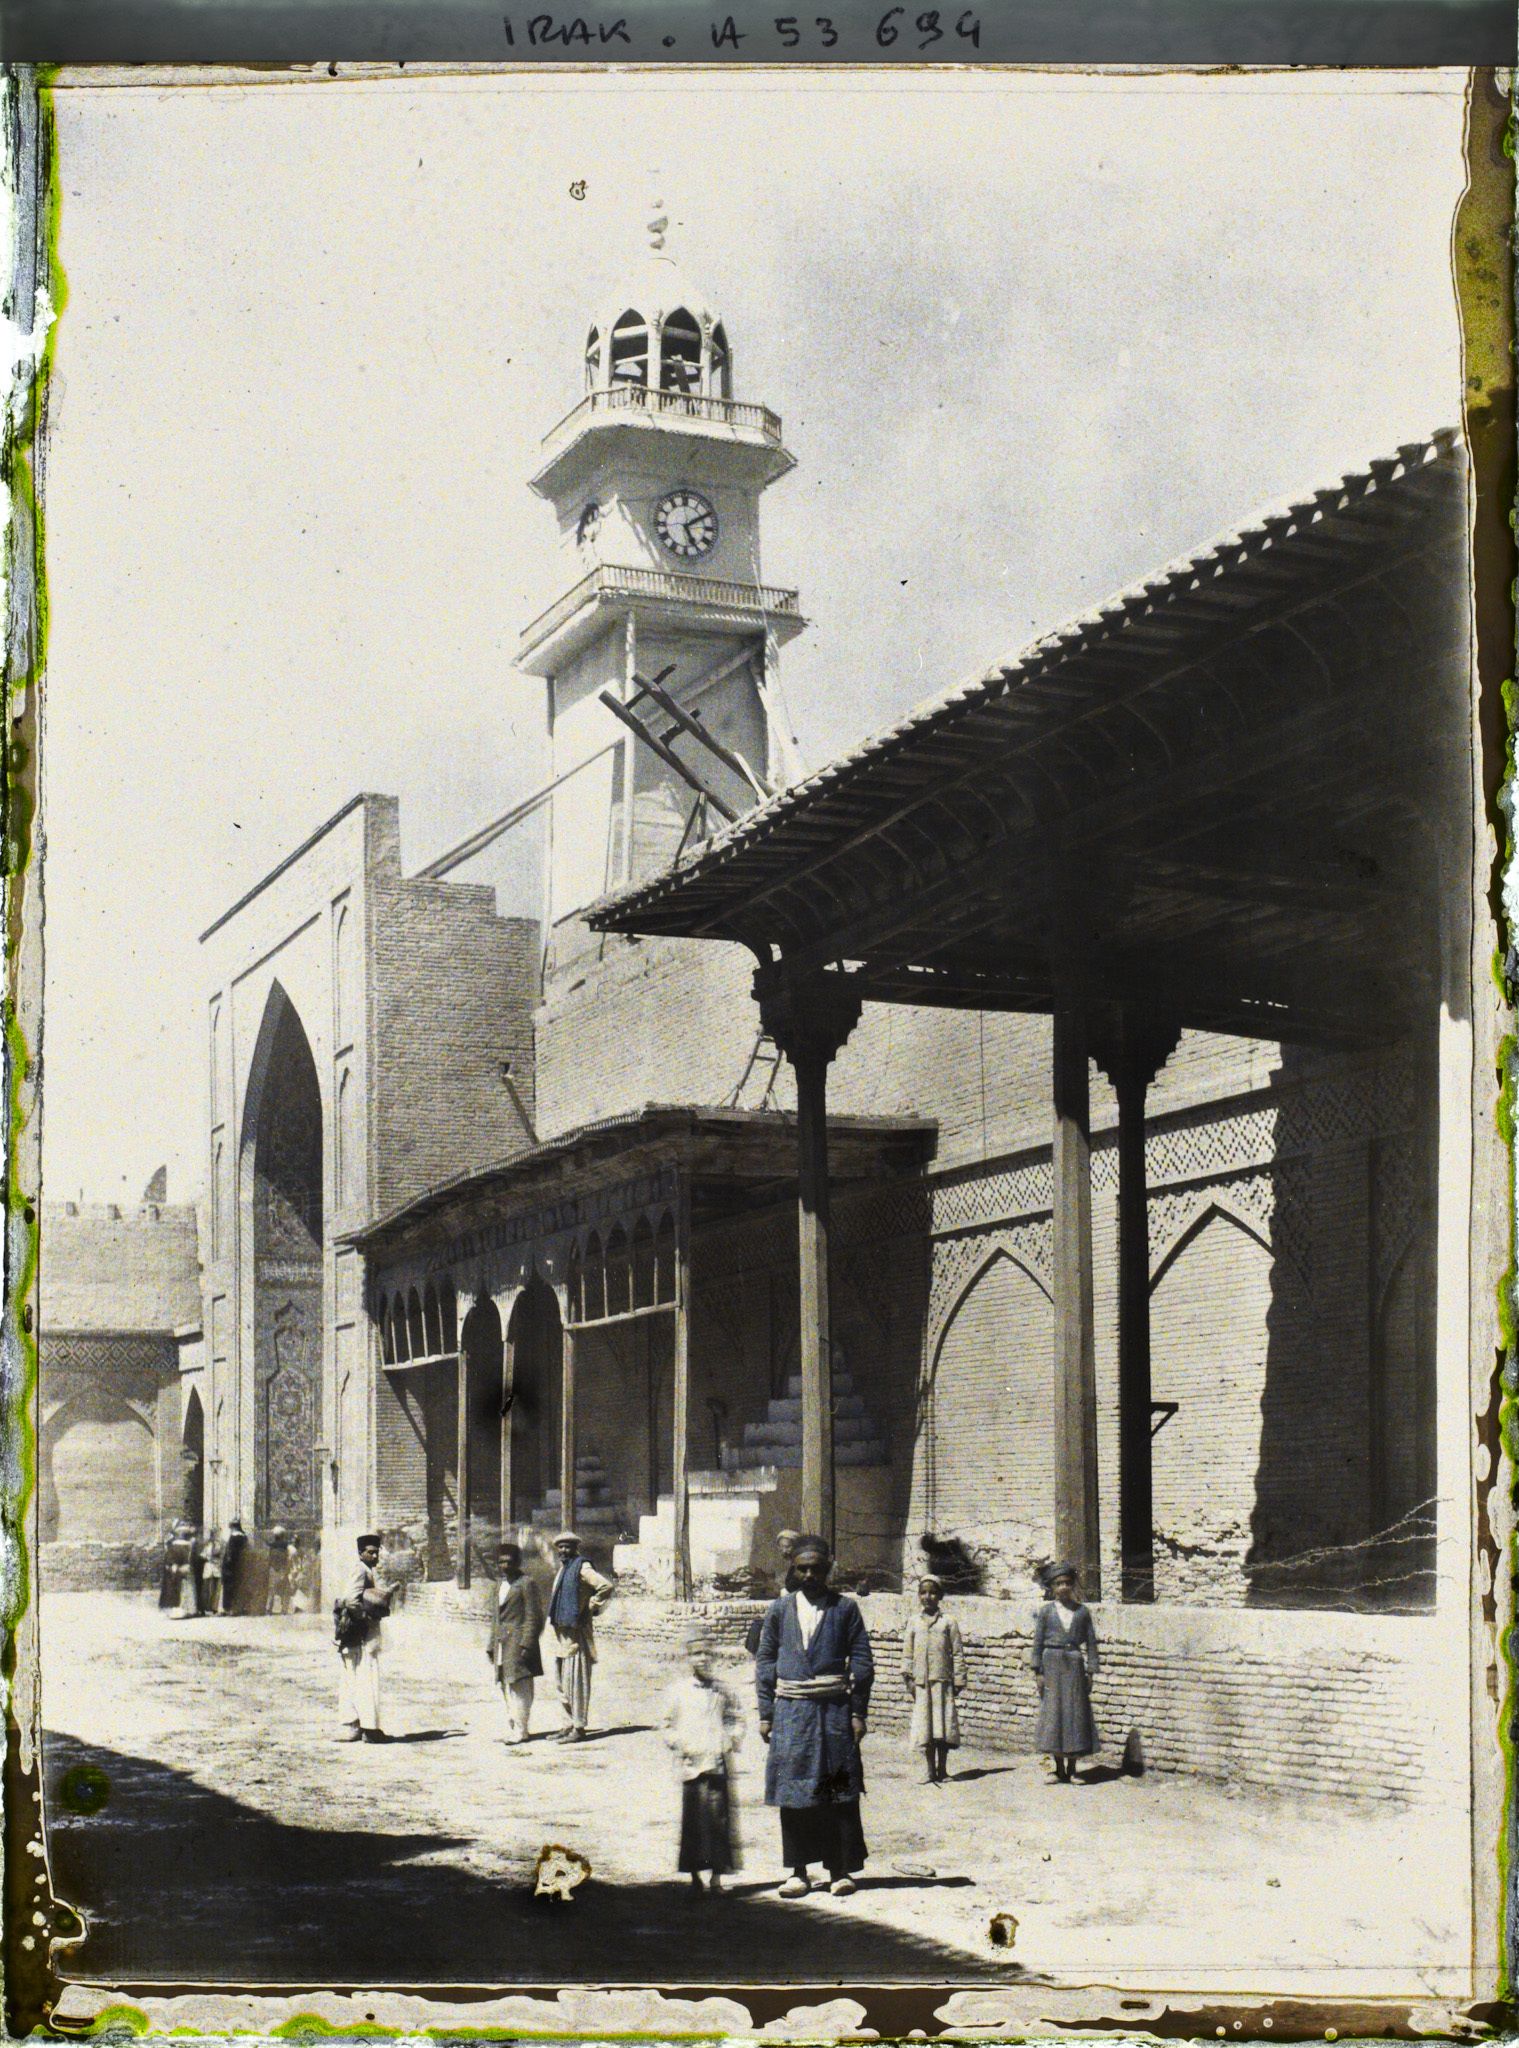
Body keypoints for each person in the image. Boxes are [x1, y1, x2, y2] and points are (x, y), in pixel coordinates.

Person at [755, 1532, 874, 1898]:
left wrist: (858, 1712)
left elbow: (863, 1661)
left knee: (837, 1789)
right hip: (792, 1712)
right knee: (795, 1790)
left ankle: (839, 1870)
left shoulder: (845, 1609)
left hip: (834, 1711)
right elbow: (765, 1661)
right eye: (802, 1569)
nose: (809, 1575)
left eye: (816, 1569)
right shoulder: (779, 1610)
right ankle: (798, 1872)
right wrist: (766, 1713)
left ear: (828, 1569)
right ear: (793, 1569)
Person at [662, 1627, 742, 1894]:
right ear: (688, 1658)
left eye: (707, 1653)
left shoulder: (722, 1691)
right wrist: (680, 1744)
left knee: (719, 1820)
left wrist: (729, 1740)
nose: (703, 1659)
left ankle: (717, 1877)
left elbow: (735, 1718)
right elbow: (667, 1725)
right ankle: (695, 1877)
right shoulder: (679, 1691)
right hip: (691, 1766)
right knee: (694, 1821)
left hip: (716, 1764)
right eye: (697, 1654)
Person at [1031, 1562, 1100, 1783]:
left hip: (1074, 1665)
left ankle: (1072, 1770)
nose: (1063, 1587)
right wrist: (1037, 1672)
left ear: (1072, 1585)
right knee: (1055, 1714)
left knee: (1074, 1715)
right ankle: (1058, 1769)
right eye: (1058, 1584)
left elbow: (1091, 1643)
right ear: (1051, 1587)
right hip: (1051, 1664)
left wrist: (1091, 1672)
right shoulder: (1046, 1612)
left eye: (1067, 1583)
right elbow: (1037, 1642)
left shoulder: (1082, 1612)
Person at [544, 1531, 614, 1742]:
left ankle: (579, 1727)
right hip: (561, 1631)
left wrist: (590, 1607)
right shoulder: (563, 1569)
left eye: (568, 1547)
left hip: (577, 1631)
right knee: (561, 1682)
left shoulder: (582, 1567)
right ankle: (567, 1723)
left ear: (575, 1548)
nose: (564, 1551)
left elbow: (605, 1586)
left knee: (576, 1680)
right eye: (561, 1547)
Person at [902, 1573, 968, 1785]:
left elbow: (957, 1652)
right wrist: (908, 1679)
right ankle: (929, 1770)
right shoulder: (913, 1622)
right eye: (923, 1593)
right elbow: (907, 1653)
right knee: (926, 1728)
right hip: (922, 1684)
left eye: (932, 1593)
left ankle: (943, 1770)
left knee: (942, 1727)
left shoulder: (948, 1622)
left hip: (942, 1682)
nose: (927, 1597)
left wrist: (959, 1679)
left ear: (940, 1596)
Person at [336, 1532, 394, 1743]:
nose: (375, 1556)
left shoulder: (365, 1569)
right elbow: (350, 1599)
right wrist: (365, 1617)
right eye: (370, 1552)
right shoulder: (360, 1570)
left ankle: (357, 1726)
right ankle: (369, 1729)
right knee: (365, 1677)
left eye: (377, 1552)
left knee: (356, 1678)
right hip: (361, 1633)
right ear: (361, 1553)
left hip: (359, 1633)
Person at [488, 1540, 545, 1744]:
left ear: (517, 1562)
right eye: (501, 1562)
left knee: (520, 1686)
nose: (505, 1566)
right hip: (501, 1643)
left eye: (509, 1562)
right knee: (505, 1685)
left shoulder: (526, 1583)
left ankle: (522, 1730)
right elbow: (495, 1618)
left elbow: (534, 1616)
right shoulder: (499, 1585)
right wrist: (491, 1644)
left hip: (518, 1643)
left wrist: (527, 1644)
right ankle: (512, 1728)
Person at [745, 1529, 801, 1656]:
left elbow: (793, 1589)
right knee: (759, 1624)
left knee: (760, 1625)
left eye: (787, 1547)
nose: (784, 1550)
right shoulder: (794, 1564)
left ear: (796, 1546)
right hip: (789, 1607)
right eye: (781, 1547)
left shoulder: (800, 1565)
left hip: (797, 1610)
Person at [219, 1516, 248, 1615]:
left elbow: (230, 1553)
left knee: (229, 1586)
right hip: (241, 1563)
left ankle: (228, 1608)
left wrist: (226, 1564)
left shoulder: (233, 1537)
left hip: (231, 1565)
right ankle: (240, 1607)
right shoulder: (244, 1536)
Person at [266, 1525, 293, 1615]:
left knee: (271, 1590)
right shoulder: (286, 1546)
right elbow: (292, 1554)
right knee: (285, 1589)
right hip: (282, 1569)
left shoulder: (271, 1546)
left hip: (273, 1569)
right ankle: (284, 1609)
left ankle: (268, 1609)